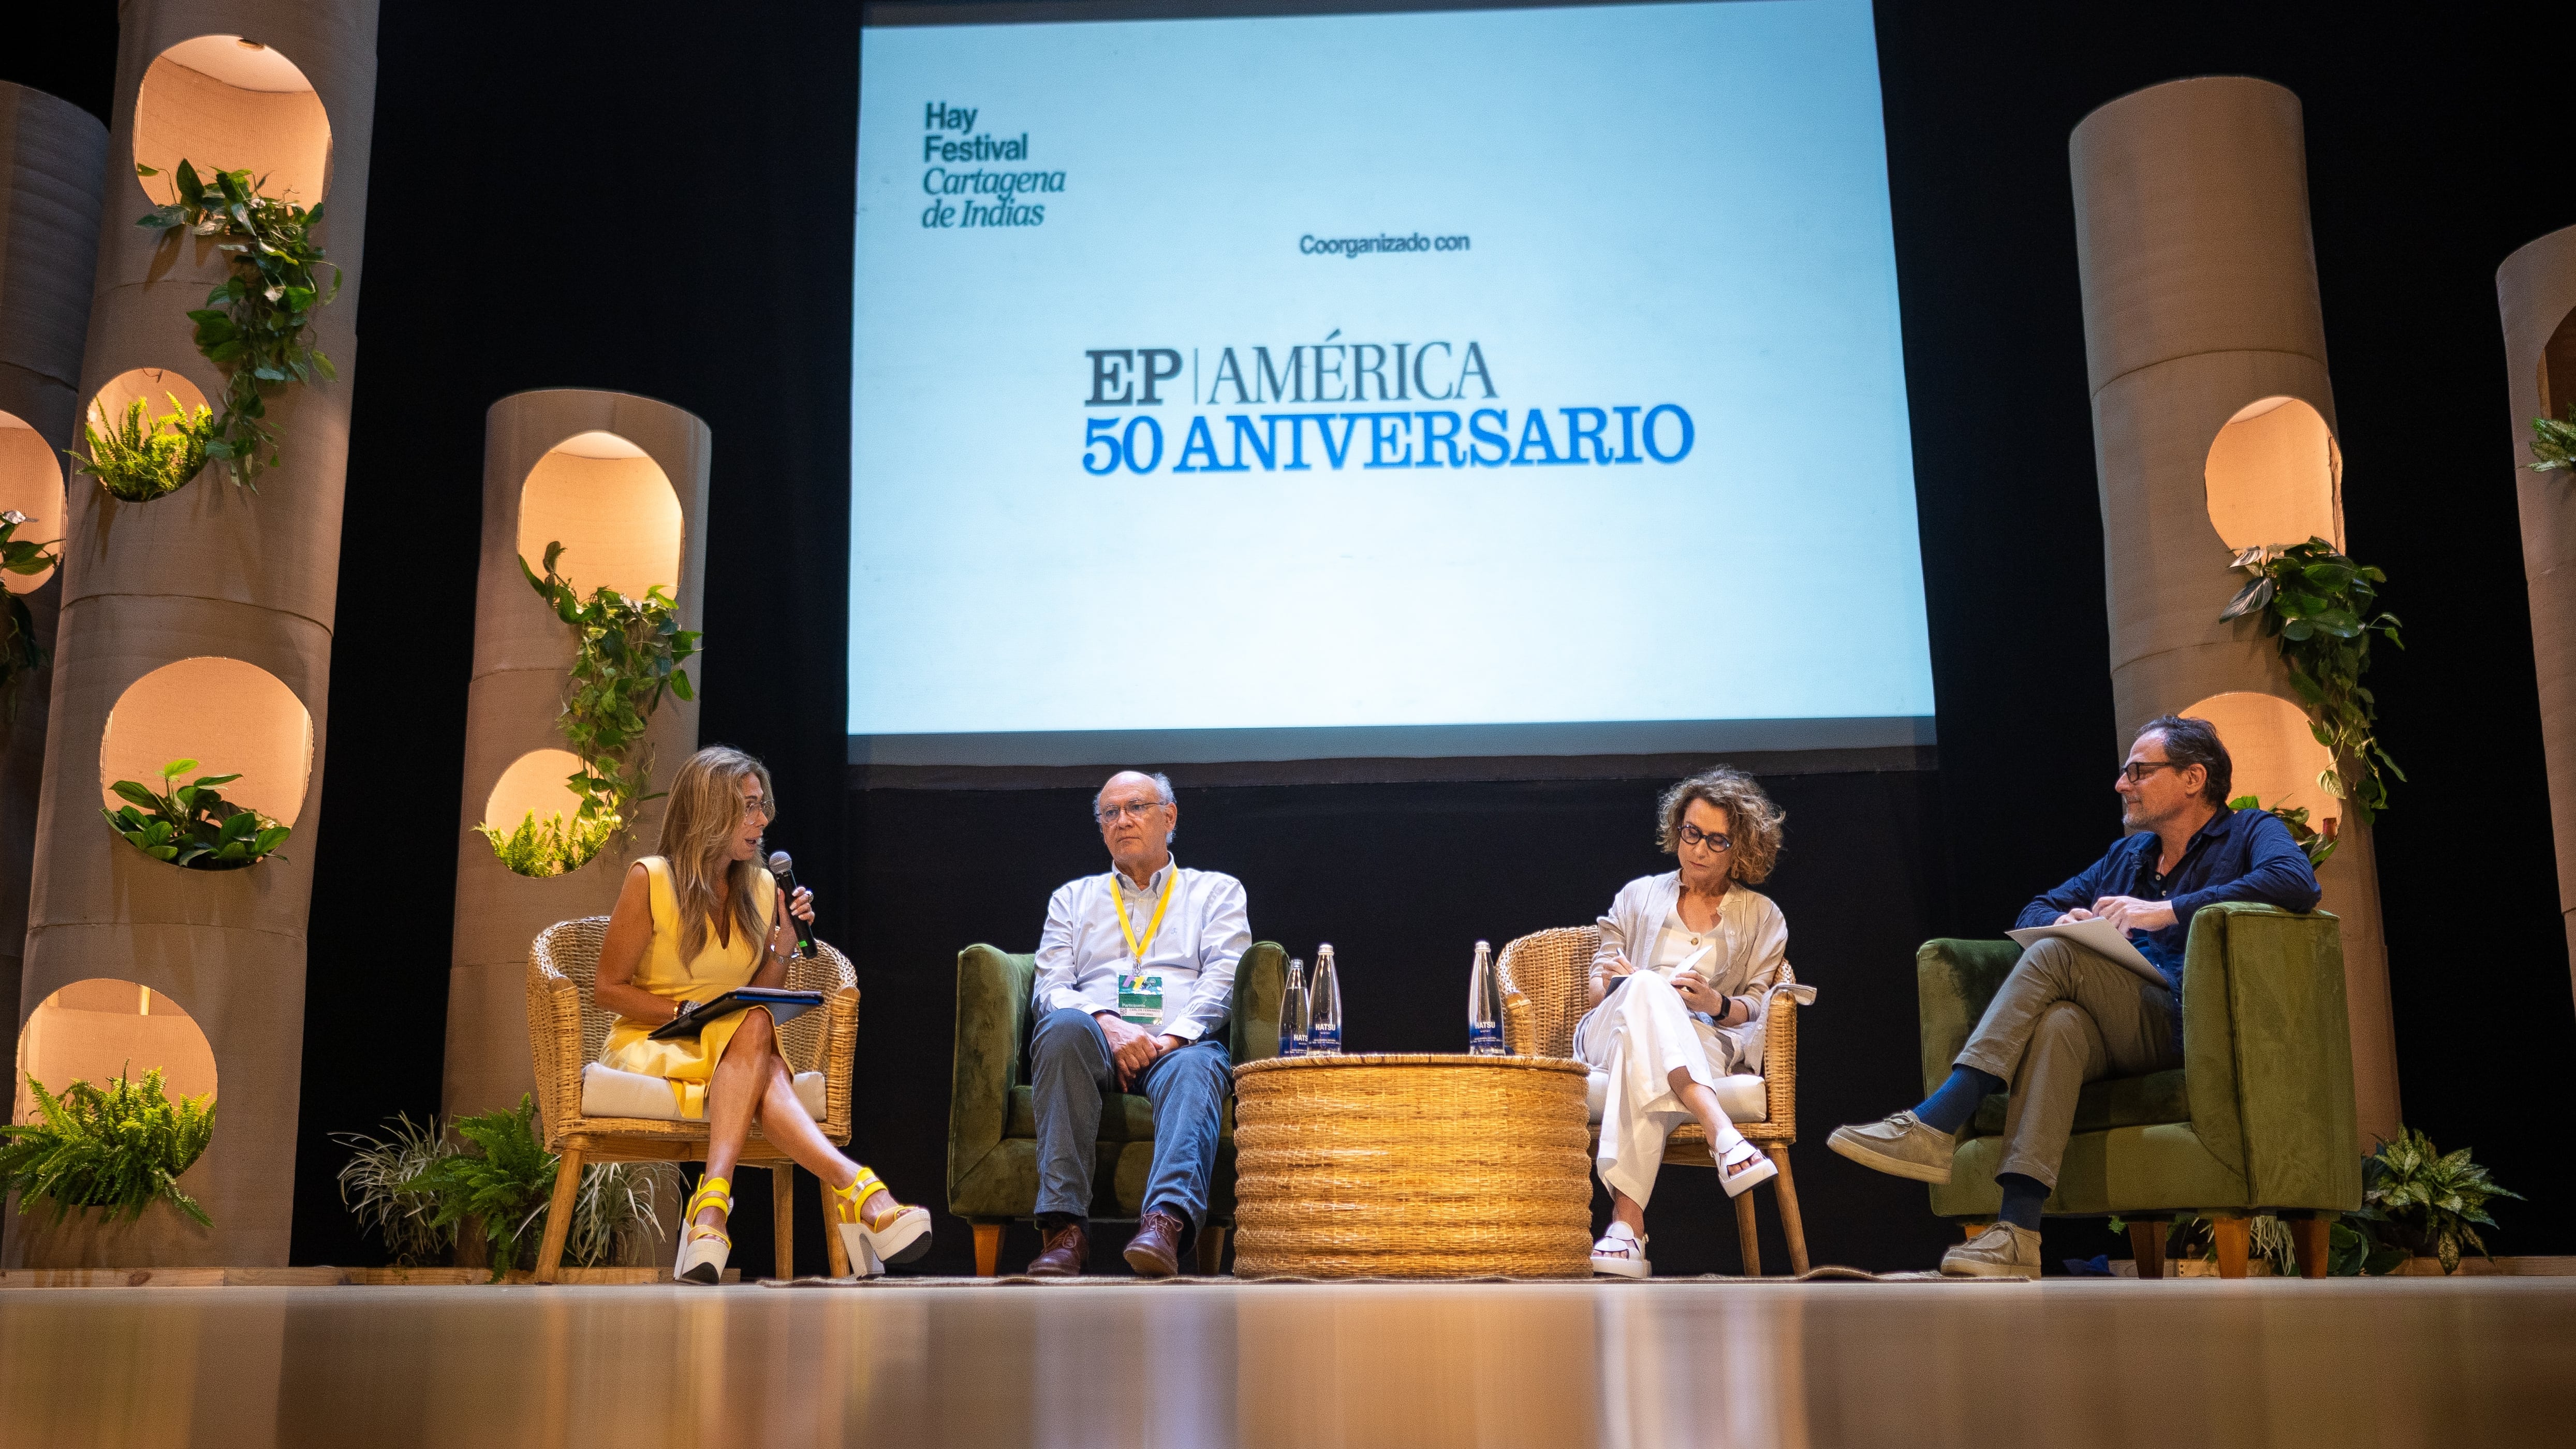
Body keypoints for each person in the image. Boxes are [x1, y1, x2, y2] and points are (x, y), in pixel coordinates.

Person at [1828, 714, 2321, 1278]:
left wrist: (2168, 910)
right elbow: (2034, 909)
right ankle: (2017, 1233)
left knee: (2057, 955)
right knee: (2061, 1020)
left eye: (2139, 770)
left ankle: (1939, 1121)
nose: (2122, 784)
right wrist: (2067, 917)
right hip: (2118, 1026)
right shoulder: (2129, 857)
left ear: (2193, 779)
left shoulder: (2250, 832)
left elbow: (2296, 882)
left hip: (2189, 1023)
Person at [593, 746, 931, 1284]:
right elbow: (607, 988)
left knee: (754, 1027)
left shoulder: (759, 885)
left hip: (734, 1040)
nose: (763, 819)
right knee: (757, 1040)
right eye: (749, 807)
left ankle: (711, 1210)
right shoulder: (650, 878)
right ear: (709, 811)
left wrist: (783, 946)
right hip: (657, 1037)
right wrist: (685, 1010)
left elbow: (760, 997)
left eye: (763, 805)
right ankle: (860, 1191)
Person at [1580, 766, 1810, 1279]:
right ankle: (1721, 1130)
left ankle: (1627, 1226)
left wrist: (1716, 1004)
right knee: (1645, 987)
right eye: (1691, 832)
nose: (1698, 849)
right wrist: (1634, 983)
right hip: (1609, 1033)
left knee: (1644, 1061)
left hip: (1701, 1040)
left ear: (1741, 848)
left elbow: (1758, 1001)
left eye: (1715, 840)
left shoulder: (1762, 916)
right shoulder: (1637, 897)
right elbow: (1598, 990)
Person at [1024, 770, 1249, 1278]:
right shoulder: (1072, 899)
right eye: (1110, 813)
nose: (1122, 820)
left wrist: (1167, 1038)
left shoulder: (1215, 892)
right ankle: (1064, 1231)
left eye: (1137, 807)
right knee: (1061, 1029)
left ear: (1169, 817)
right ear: (1102, 828)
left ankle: (1163, 1224)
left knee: (1198, 1067)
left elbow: (1226, 977)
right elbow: (1051, 986)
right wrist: (1108, 1023)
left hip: (1179, 1045)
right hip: (1095, 1042)